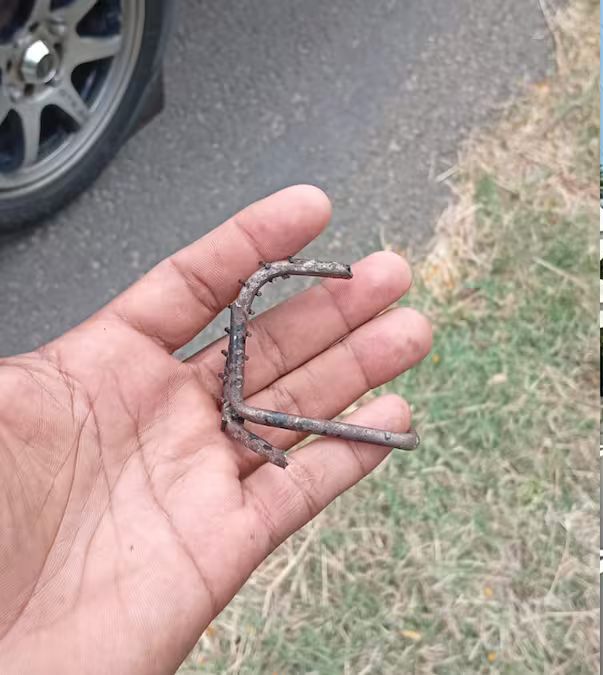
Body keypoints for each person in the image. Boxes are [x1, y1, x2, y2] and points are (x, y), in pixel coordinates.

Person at [0, 185, 432, 674]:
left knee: (247, 409)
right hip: (238, 414)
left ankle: (355, 431)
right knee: (247, 409)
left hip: (239, 413)